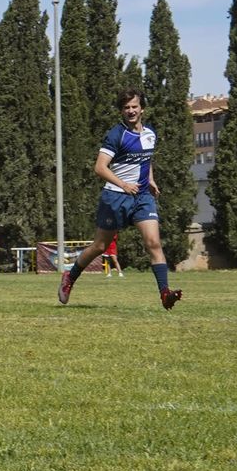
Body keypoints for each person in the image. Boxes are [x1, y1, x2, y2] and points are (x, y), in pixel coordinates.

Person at [59, 88, 183, 310]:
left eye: (135, 106)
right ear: (121, 111)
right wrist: (123, 184)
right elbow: (100, 167)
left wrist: (150, 179)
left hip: (142, 197)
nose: (131, 110)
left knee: (153, 243)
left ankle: (165, 293)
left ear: (142, 109)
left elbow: (146, 160)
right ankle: (70, 277)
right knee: (100, 246)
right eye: (126, 107)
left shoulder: (150, 133)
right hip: (115, 197)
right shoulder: (116, 135)